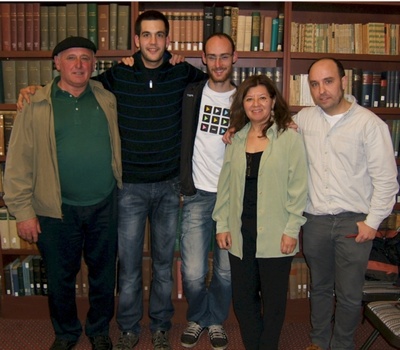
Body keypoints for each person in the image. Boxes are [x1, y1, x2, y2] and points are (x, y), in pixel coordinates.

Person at [18, 11, 207, 350]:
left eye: (159, 35)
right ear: (136, 40)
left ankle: (158, 325)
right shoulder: (116, 76)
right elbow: (72, 83)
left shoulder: (184, 72)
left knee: (162, 264)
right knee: (128, 268)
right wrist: (33, 88)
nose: (153, 42)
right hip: (128, 189)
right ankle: (129, 328)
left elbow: (220, 84)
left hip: (166, 188)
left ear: (168, 40)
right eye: (146, 35)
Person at [4, 36, 122, 350]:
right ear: (57, 63)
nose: (79, 64)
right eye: (71, 58)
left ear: (94, 64)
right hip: (56, 209)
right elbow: (16, 163)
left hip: (104, 203)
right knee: (60, 278)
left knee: (103, 275)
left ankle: (98, 330)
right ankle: (66, 333)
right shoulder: (35, 104)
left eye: (86, 58)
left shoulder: (105, 98)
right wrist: (23, 212)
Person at [293, 58, 399, 350]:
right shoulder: (304, 120)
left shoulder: (369, 124)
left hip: (355, 223)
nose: (321, 90)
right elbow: (275, 137)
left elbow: (387, 180)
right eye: (314, 84)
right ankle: (317, 342)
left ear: (343, 81)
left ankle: (341, 345)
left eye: (328, 82)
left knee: (350, 294)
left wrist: (372, 222)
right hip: (315, 221)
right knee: (320, 288)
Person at [212, 74, 308, 350]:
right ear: (243, 103)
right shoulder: (236, 139)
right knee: (243, 300)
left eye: (262, 98)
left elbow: (298, 188)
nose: (256, 104)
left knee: (274, 301)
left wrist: (292, 230)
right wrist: (222, 225)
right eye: (250, 98)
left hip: (277, 234)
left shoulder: (288, 137)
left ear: (273, 101)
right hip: (241, 234)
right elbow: (226, 186)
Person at [179, 33, 237, 350]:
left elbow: (272, 125)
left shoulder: (247, 99)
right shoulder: (189, 93)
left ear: (234, 57)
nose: (217, 63)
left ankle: (213, 321)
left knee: (226, 271)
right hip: (197, 195)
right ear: (203, 58)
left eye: (224, 56)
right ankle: (200, 316)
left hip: (231, 200)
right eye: (212, 57)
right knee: (193, 272)